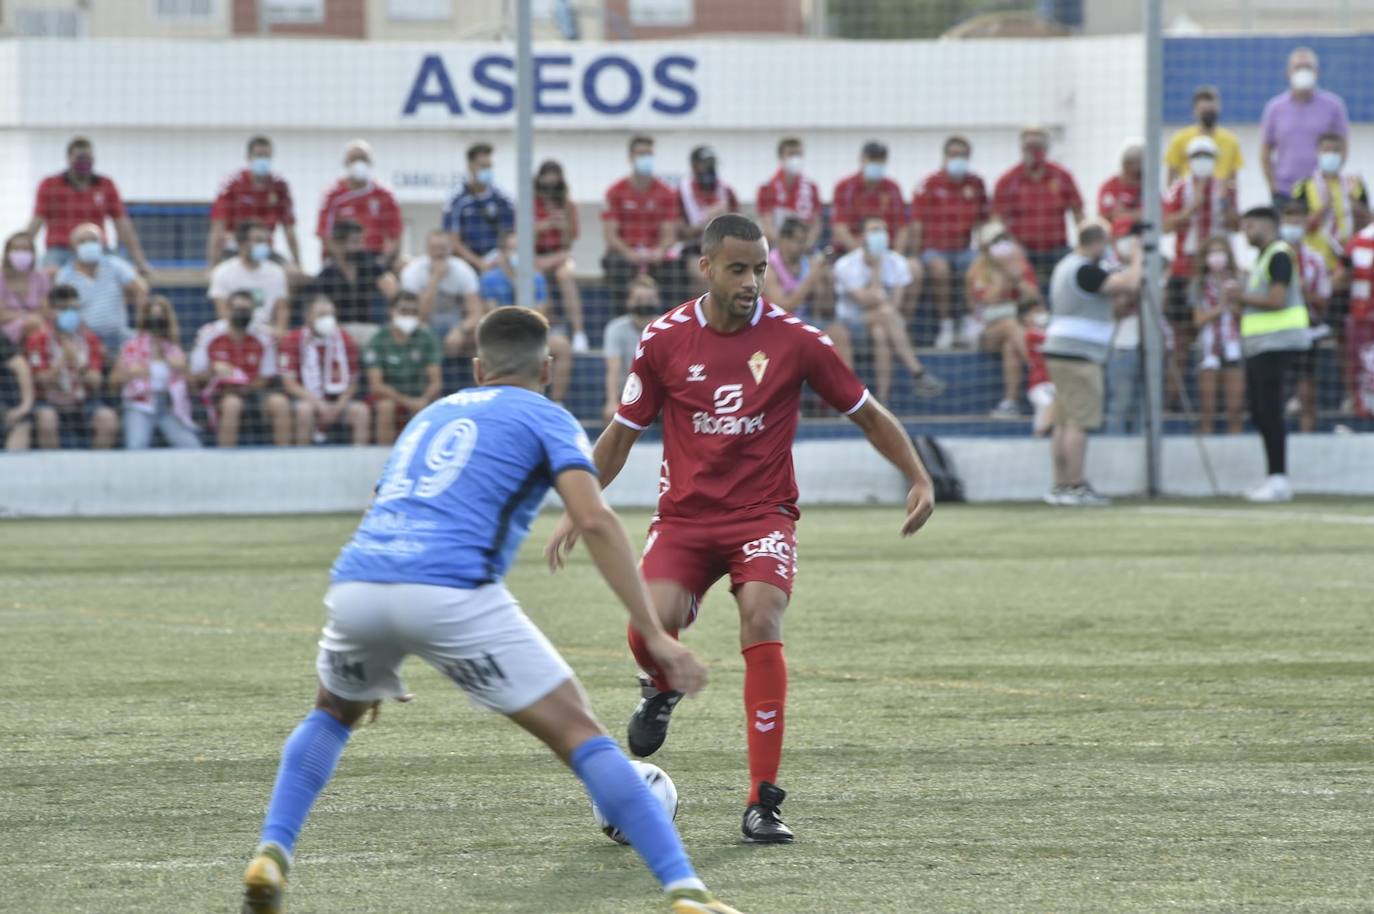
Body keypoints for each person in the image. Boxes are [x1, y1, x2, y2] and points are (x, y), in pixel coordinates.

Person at [239, 306, 745, 914]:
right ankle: (687, 892)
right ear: (548, 368)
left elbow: (384, 502)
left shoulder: (431, 414)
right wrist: (655, 636)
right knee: (582, 733)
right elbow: (594, 519)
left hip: (362, 582)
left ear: (478, 367)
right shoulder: (546, 416)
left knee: (331, 713)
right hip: (453, 591)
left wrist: (387, 639)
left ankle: (272, 851)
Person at [544, 214, 937, 845]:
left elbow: (867, 413)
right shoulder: (664, 339)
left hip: (763, 516)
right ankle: (661, 682)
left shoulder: (796, 340)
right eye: (738, 268)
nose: (753, 280)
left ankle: (763, 802)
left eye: (759, 268)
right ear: (706, 267)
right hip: (685, 519)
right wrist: (578, 501)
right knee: (649, 626)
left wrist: (917, 475)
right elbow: (622, 433)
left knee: (762, 615)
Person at [1041, 220, 1143, 507]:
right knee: (1079, 422)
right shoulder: (1085, 269)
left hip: (1060, 351)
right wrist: (1137, 256)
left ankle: (1061, 486)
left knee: (1063, 421)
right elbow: (1130, 283)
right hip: (1079, 355)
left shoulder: (1066, 265)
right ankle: (1074, 485)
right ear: (1098, 242)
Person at [1231, 206, 1311, 502]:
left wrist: (1239, 296)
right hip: (1260, 345)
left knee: (1270, 409)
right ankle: (1273, 477)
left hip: (1276, 344)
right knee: (1259, 410)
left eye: (1250, 226)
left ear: (1268, 225)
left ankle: (1279, 479)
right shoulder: (1262, 259)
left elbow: (1277, 300)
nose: (1245, 232)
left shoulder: (1278, 254)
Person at [832, 217, 946, 403]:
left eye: (883, 230)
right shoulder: (845, 264)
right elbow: (865, 300)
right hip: (852, 325)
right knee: (884, 314)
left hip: (883, 322)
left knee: (881, 333)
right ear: (862, 237)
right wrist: (876, 269)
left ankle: (883, 399)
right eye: (874, 230)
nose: (880, 235)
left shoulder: (897, 262)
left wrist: (880, 297)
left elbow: (895, 306)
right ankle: (917, 372)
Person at [1163, 135, 1239, 409]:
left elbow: (1235, 224)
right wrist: (1191, 208)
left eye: (1207, 156)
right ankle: (1175, 398)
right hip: (1184, 269)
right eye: (1197, 157)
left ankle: (1221, 401)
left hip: (1216, 271)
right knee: (1181, 337)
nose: (1202, 162)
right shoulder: (1178, 189)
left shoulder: (1224, 189)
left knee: (1224, 333)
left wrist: (1224, 205)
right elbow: (1166, 225)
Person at [29, 136, 151, 273]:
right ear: (69, 158)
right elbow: (36, 222)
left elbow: (122, 225)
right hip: (60, 249)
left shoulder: (106, 185)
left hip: (97, 248)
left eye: (88, 157)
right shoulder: (50, 185)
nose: (84, 162)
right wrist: (23, 251)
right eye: (80, 157)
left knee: (123, 272)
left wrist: (140, 261)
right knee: (48, 275)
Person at [912, 135, 990, 350]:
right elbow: (917, 223)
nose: (959, 159)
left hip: (964, 249)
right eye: (954, 155)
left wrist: (985, 249)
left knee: (977, 265)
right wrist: (916, 253)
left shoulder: (976, 184)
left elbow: (984, 222)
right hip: (934, 249)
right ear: (945, 157)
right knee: (940, 270)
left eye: (963, 156)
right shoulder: (929, 184)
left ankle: (970, 321)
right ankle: (946, 325)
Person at [481, 231, 572, 403]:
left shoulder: (536, 278)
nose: (516, 255)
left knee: (562, 346)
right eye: (512, 249)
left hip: (531, 335)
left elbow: (539, 316)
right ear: (502, 253)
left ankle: (557, 403)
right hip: (500, 337)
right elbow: (494, 316)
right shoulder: (489, 279)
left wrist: (517, 280)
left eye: (520, 250)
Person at [193, 290, 291, 448]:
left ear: (253, 312)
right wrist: (214, 370)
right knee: (233, 404)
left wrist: (245, 386)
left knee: (280, 403)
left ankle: (284, 457)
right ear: (228, 310)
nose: (242, 314)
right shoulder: (209, 333)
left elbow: (266, 377)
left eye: (247, 310)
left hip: (252, 392)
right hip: (221, 393)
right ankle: (225, 459)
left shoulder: (263, 336)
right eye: (238, 309)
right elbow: (196, 375)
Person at [26, 284, 119, 450]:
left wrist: (77, 363)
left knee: (108, 419)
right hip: (49, 402)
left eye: (74, 308)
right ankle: (54, 470)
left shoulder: (89, 339)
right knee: (47, 418)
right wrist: (62, 361)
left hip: (83, 401)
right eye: (63, 308)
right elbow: (40, 380)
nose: (70, 313)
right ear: (51, 311)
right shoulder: (38, 339)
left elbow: (95, 381)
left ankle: (95, 469)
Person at [965, 222, 1042, 418]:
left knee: (1010, 344)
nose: (1001, 244)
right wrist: (1004, 275)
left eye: (1003, 239)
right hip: (984, 332)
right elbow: (987, 302)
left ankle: (1010, 403)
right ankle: (1039, 371)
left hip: (1013, 329)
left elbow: (1035, 297)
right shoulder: (977, 270)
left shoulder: (1020, 264)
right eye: (995, 242)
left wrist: (1016, 277)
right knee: (1010, 326)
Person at [992, 127, 1084, 290]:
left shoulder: (1062, 176)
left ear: (1047, 149)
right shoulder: (1008, 180)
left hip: (1057, 248)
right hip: (1022, 250)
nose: (1034, 152)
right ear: (1021, 149)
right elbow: (997, 220)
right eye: (1030, 147)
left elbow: (1078, 212)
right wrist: (1012, 246)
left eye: (1039, 147)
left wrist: (1082, 242)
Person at [1260, 48, 1350, 206]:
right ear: (1288, 73)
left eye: (1308, 67)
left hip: (1320, 189)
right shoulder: (1275, 108)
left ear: (1317, 72)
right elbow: (1265, 151)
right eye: (1298, 68)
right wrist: (1273, 187)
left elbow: (1343, 145)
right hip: (1285, 191)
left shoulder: (1333, 106)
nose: (1303, 72)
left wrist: (1332, 179)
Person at [602, 135, 684, 305]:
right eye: (641, 154)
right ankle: (621, 318)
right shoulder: (615, 192)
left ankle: (670, 320)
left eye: (649, 154)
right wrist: (629, 253)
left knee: (675, 270)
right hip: (626, 254)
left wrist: (658, 251)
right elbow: (611, 235)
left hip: (655, 256)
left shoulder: (666, 193)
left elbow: (669, 234)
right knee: (615, 266)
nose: (645, 158)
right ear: (630, 157)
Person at [110, 296, 201, 450]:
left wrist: (183, 369)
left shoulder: (174, 349)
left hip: (168, 407)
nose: (156, 319)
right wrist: (131, 374)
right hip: (140, 405)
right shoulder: (130, 346)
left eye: (160, 315)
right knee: (136, 445)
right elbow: (113, 383)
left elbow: (194, 388)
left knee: (192, 445)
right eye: (152, 314)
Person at [278, 296, 370, 446]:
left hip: (337, 402)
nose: (327, 320)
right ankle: (302, 459)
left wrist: (338, 406)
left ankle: (359, 459)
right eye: (321, 315)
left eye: (330, 315)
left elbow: (354, 381)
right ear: (308, 317)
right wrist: (319, 404)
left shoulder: (345, 340)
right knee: (304, 411)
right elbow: (289, 383)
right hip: (306, 399)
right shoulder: (292, 339)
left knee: (361, 411)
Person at [54, 222, 149, 357]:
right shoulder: (65, 276)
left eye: (93, 240)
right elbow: (63, 313)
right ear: (73, 247)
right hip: (84, 339)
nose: (88, 245)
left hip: (119, 335)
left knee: (142, 347)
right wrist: (92, 342)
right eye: (82, 241)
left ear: (102, 243)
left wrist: (141, 328)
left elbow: (141, 289)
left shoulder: (115, 264)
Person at [761, 219, 847, 364]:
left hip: (806, 321)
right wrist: (812, 276)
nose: (799, 246)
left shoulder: (807, 262)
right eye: (795, 240)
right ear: (782, 239)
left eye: (802, 241)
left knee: (838, 332)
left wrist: (826, 282)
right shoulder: (769, 267)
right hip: (778, 325)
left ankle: (846, 385)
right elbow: (784, 307)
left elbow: (826, 309)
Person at [1279, 202, 1332, 433]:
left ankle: (1306, 433)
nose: (1294, 227)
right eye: (1289, 222)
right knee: (1276, 390)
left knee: (1306, 389)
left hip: (1306, 330)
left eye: (1298, 222)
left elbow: (1324, 300)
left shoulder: (1315, 260)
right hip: (1276, 331)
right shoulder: (1271, 255)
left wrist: (1302, 291)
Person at [207, 135, 301, 266]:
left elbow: (289, 230)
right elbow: (218, 228)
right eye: (259, 155)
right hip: (235, 250)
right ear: (248, 157)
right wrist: (213, 265)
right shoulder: (232, 184)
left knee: (291, 275)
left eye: (266, 155)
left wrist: (298, 264)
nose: (263, 159)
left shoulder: (279, 186)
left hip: (265, 250)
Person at [364, 291, 442, 445]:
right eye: (404, 311)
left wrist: (423, 399)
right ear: (391, 311)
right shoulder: (378, 339)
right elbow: (376, 386)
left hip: (420, 395)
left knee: (435, 406)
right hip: (391, 396)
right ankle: (383, 457)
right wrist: (407, 401)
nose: (409, 316)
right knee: (386, 407)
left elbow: (436, 382)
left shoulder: (426, 338)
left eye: (414, 312)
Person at [310, 220, 400, 346]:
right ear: (338, 244)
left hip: (369, 328)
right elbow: (316, 306)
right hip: (337, 330)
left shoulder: (370, 265)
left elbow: (393, 292)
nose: (360, 247)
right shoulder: (327, 275)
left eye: (361, 241)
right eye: (354, 242)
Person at [1190, 235, 1246, 436]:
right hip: (1208, 348)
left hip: (1234, 347)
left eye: (1221, 252)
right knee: (1207, 408)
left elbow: (1244, 317)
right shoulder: (1198, 285)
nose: (1217, 258)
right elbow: (1198, 320)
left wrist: (1236, 300)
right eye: (1212, 253)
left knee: (1235, 408)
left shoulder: (1240, 280)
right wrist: (1221, 306)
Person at [532, 160, 589, 353]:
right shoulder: (530, 204)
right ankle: (545, 328)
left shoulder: (568, 205)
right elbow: (521, 236)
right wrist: (546, 224)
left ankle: (579, 333)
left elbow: (571, 239)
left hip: (561, 254)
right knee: (535, 273)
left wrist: (563, 224)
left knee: (565, 275)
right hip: (535, 256)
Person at [317, 139, 403, 265]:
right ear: (346, 162)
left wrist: (383, 262)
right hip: (342, 258)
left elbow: (396, 235)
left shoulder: (384, 195)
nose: (359, 163)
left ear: (370, 162)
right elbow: (325, 234)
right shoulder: (333, 196)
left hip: (375, 256)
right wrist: (343, 264)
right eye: (354, 159)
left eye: (363, 158)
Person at [400, 229, 482, 357]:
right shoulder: (413, 271)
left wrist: (460, 330)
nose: (438, 252)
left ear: (450, 249)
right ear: (427, 249)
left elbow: (476, 313)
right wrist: (436, 278)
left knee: (478, 335)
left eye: (442, 248)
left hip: (456, 324)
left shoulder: (464, 270)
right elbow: (418, 315)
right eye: (434, 248)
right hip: (424, 325)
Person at [208, 220, 291, 338]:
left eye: (265, 241)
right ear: (242, 243)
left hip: (267, 334)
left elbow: (282, 309)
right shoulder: (222, 272)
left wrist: (279, 332)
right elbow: (223, 313)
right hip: (235, 333)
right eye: (258, 241)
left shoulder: (277, 272)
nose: (263, 246)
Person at [444, 142, 516, 271]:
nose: (487, 171)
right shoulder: (456, 200)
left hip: (498, 262)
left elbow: (511, 235)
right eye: (482, 166)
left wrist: (499, 258)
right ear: (470, 167)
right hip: (466, 263)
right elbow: (453, 240)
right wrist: (478, 263)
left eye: (489, 166)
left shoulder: (502, 199)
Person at [601, 275, 663, 424]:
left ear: (658, 301)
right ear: (629, 302)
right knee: (611, 414)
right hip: (627, 395)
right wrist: (611, 401)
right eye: (639, 299)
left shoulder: (667, 327)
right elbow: (613, 369)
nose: (645, 303)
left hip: (661, 395)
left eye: (649, 299)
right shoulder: (615, 328)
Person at [831, 140, 910, 255]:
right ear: (862, 159)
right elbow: (839, 227)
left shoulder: (893, 188)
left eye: (880, 160)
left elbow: (902, 227)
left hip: (887, 251)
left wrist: (897, 254)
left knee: (913, 267)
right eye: (872, 159)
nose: (876, 163)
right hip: (850, 252)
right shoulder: (844, 187)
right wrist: (860, 255)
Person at [1165, 86, 1244, 183]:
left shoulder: (1230, 141)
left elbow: (1233, 178)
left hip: (1219, 194)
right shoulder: (1180, 139)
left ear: (1219, 109)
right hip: (1188, 194)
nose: (1209, 114)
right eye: (1204, 110)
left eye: (1212, 110)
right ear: (1195, 111)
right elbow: (1171, 175)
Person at [755, 137, 822, 249]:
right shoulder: (766, 188)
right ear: (781, 157)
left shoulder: (811, 187)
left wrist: (805, 245)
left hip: (805, 248)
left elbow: (816, 223)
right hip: (776, 248)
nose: (795, 158)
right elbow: (767, 224)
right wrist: (786, 248)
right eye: (791, 154)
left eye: (798, 154)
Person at [679, 146, 739, 260]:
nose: (710, 168)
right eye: (705, 164)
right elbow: (680, 232)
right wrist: (706, 221)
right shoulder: (683, 192)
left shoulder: (726, 191)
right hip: (694, 248)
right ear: (694, 166)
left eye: (712, 163)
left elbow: (740, 225)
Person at [1, 231, 51, 345]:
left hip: (37, 327)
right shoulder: (1, 279)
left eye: (25, 249)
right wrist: (27, 317)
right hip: (6, 332)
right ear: (7, 253)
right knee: (35, 324)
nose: (21, 253)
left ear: (33, 253)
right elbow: (1, 315)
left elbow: (46, 310)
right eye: (16, 249)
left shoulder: (41, 278)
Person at [1347, 223, 1374, 417]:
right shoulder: (1361, 240)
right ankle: (1364, 408)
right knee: (1365, 368)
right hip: (1364, 317)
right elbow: (1341, 277)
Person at [1098, 141, 1144, 240]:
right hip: (1116, 241)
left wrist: (1124, 214)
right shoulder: (1110, 186)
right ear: (1127, 164)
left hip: (1144, 239)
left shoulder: (1149, 188)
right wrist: (1137, 215)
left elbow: (1157, 215)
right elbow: (1105, 217)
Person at [0, 324, 36, 451]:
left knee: (22, 422)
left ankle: (11, 469)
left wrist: (25, 405)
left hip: (6, 402)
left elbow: (21, 366)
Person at [1022, 303, 1054, 436]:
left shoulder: (1051, 332)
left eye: (1042, 311)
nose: (1040, 315)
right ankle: (1039, 433)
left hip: (1053, 383)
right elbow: (1046, 338)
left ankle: (1039, 435)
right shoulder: (1029, 335)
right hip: (1037, 385)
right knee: (1048, 404)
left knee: (1043, 412)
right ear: (1025, 318)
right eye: (1035, 312)